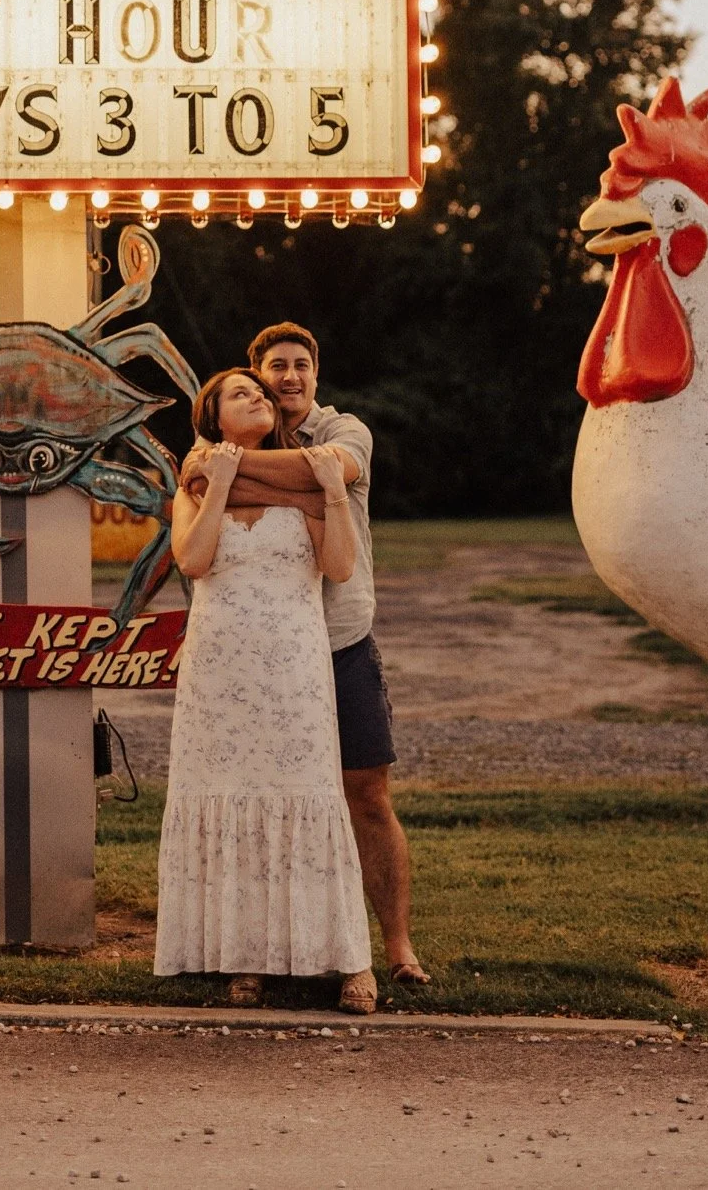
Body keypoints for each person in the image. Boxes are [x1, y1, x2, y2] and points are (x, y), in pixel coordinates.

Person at [154, 366, 376, 1012]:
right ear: (214, 416)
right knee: (233, 799)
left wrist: (331, 491)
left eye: (259, 391)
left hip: (293, 670)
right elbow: (193, 561)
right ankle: (243, 957)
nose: (256, 394)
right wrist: (216, 482)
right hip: (219, 673)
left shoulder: (306, 483)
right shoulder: (195, 487)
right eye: (239, 392)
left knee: (311, 797)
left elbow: (337, 565)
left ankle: (349, 960)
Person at [249, 322, 429, 988]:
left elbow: (338, 468)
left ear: (315, 375)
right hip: (267, 654)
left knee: (368, 794)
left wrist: (229, 465)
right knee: (272, 801)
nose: (289, 375)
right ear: (259, 374)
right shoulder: (240, 435)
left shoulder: (344, 429)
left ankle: (399, 946)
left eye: (300, 364)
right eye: (276, 365)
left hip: (341, 642)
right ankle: (269, 950)